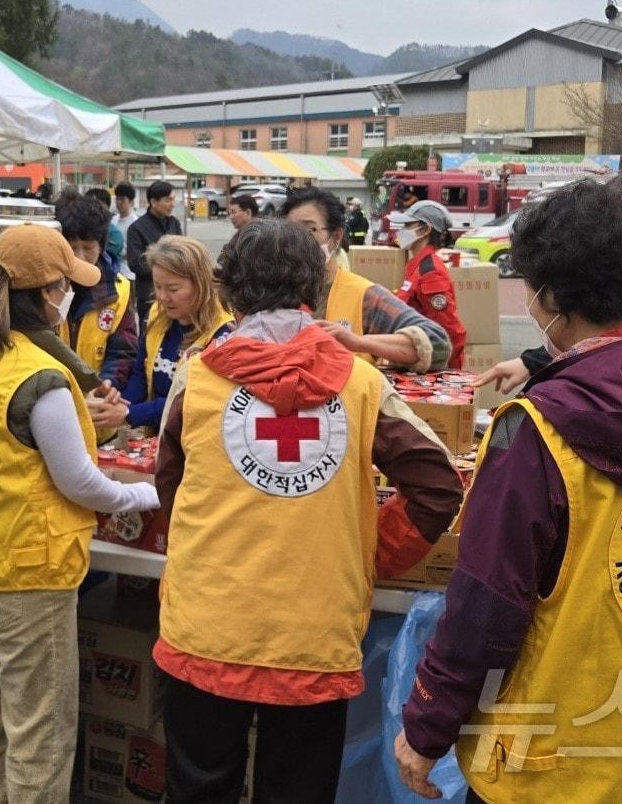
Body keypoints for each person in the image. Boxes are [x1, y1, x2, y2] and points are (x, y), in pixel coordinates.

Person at [397, 181, 622, 803]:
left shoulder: (535, 429)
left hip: (553, 762)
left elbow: (485, 607)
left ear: (553, 295)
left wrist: (427, 725)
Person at [154, 219, 465, 803]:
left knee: (197, 789)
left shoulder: (197, 378)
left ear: (229, 290)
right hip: (314, 634)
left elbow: (172, 489)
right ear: (318, 286)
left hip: (206, 623)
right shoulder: (363, 384)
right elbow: (439, 485)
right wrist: (373, 553)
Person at [0, 224, 158, 802]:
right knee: (42, 727)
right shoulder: (43, 376)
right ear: (44, 294)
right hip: (29, 574)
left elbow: (9, 440)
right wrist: (144, 494)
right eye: (65, 285)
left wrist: (73, 413)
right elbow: (82, 482)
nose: (71, 295)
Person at [283, 186, 450, 370]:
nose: (296, 240)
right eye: (290, 231)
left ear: (336, 236)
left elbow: (438, 345)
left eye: (309, 230)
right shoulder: (270, 291)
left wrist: (359, 342)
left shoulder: (365, 297)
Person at [121, 235, 234, 431]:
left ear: (200, 284)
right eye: (157, 287)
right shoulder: (157, 313)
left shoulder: (224, 330)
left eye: (173, 289)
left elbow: (193, 400)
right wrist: (121, 405)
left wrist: (132, 414)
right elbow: (141, 372)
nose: (163, 297)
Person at [56, 191, 139, 390]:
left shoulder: (120, 291)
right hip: (52, 395)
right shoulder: (41, 286)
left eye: (88, 247)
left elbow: (123, 351)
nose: (79, 257)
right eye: (71, 247)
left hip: (96, 396)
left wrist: (107, 383)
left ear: (101, 246)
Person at [393, 200, 468, 368]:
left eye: (407, 226)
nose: (401, 232)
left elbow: (449, 331)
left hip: (431, 368)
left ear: (425, 229)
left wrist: (443, 371)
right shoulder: (417, 266)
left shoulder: (430, 273)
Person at [126, 180, 183, 319]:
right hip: (149, 295)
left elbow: (182, 253)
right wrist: (166, 267)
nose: (172, 204)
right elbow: (135, 263)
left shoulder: (174, 223)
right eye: (168, 200)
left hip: (175, 294)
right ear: (153, 201)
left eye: (173, 200)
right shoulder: (137, 228)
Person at [84, 186, 127, 269]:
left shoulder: (114, 234)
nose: (93, 211)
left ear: (106, 207)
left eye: (97, 206)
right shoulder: (81, 230)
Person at [113, 182, 139, 279]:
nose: (119, 202)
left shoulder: (135, 223)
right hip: (114, 272)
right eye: (117, 199)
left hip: (129, 274)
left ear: (131, 202)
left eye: (122, 199)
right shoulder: (113, 220)